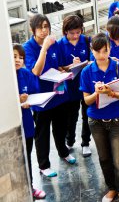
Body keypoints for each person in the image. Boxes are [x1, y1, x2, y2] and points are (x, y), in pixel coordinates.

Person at [80, 33, 119, 202]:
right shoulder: (87, 71)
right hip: (96, 121)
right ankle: (111, 188)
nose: (102, 55)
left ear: (110, 49)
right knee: (104, 158)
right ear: (91, 51)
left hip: (116, 119)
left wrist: (111, 93)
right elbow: (86, 101)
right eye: (98, 51)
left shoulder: (118, 67)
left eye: (105, 51)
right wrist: (96, 93)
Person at [23, 14, 75, 178]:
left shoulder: (55, 44)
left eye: (47, 26)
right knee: (42, 132)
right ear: (33, 30)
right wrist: (44, 48)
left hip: (58, 92)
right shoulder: (28, 47)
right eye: (40, 27)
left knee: (61, 126)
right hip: (41, 97)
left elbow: (59, 66)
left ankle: (63, 152)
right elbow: (36, 71)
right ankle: (43, 165)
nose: (45, 30)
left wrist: (70, 68)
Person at [13, 44, 46, 199]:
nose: (18, 60)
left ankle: (30, 187)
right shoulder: (5, 78)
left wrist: (28, 100)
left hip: (26, 124)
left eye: (21, 57)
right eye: (14, 56)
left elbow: (35, 92)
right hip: (13, 127)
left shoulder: (25, 73)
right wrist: (17, 100)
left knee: (27, 158)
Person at [58, 14, 92, 157]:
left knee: (87, 115)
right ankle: (69, 139)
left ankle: (85, 142)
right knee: (71, 117)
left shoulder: (86, 41)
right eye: (72, 33)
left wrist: (84, 64)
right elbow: (58, 67)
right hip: (69, 87)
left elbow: (92, 61)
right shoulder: (59, 45)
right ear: (65, 31)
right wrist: (70, 66)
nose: (75, 36)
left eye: (78, 32)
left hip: (85, 85)